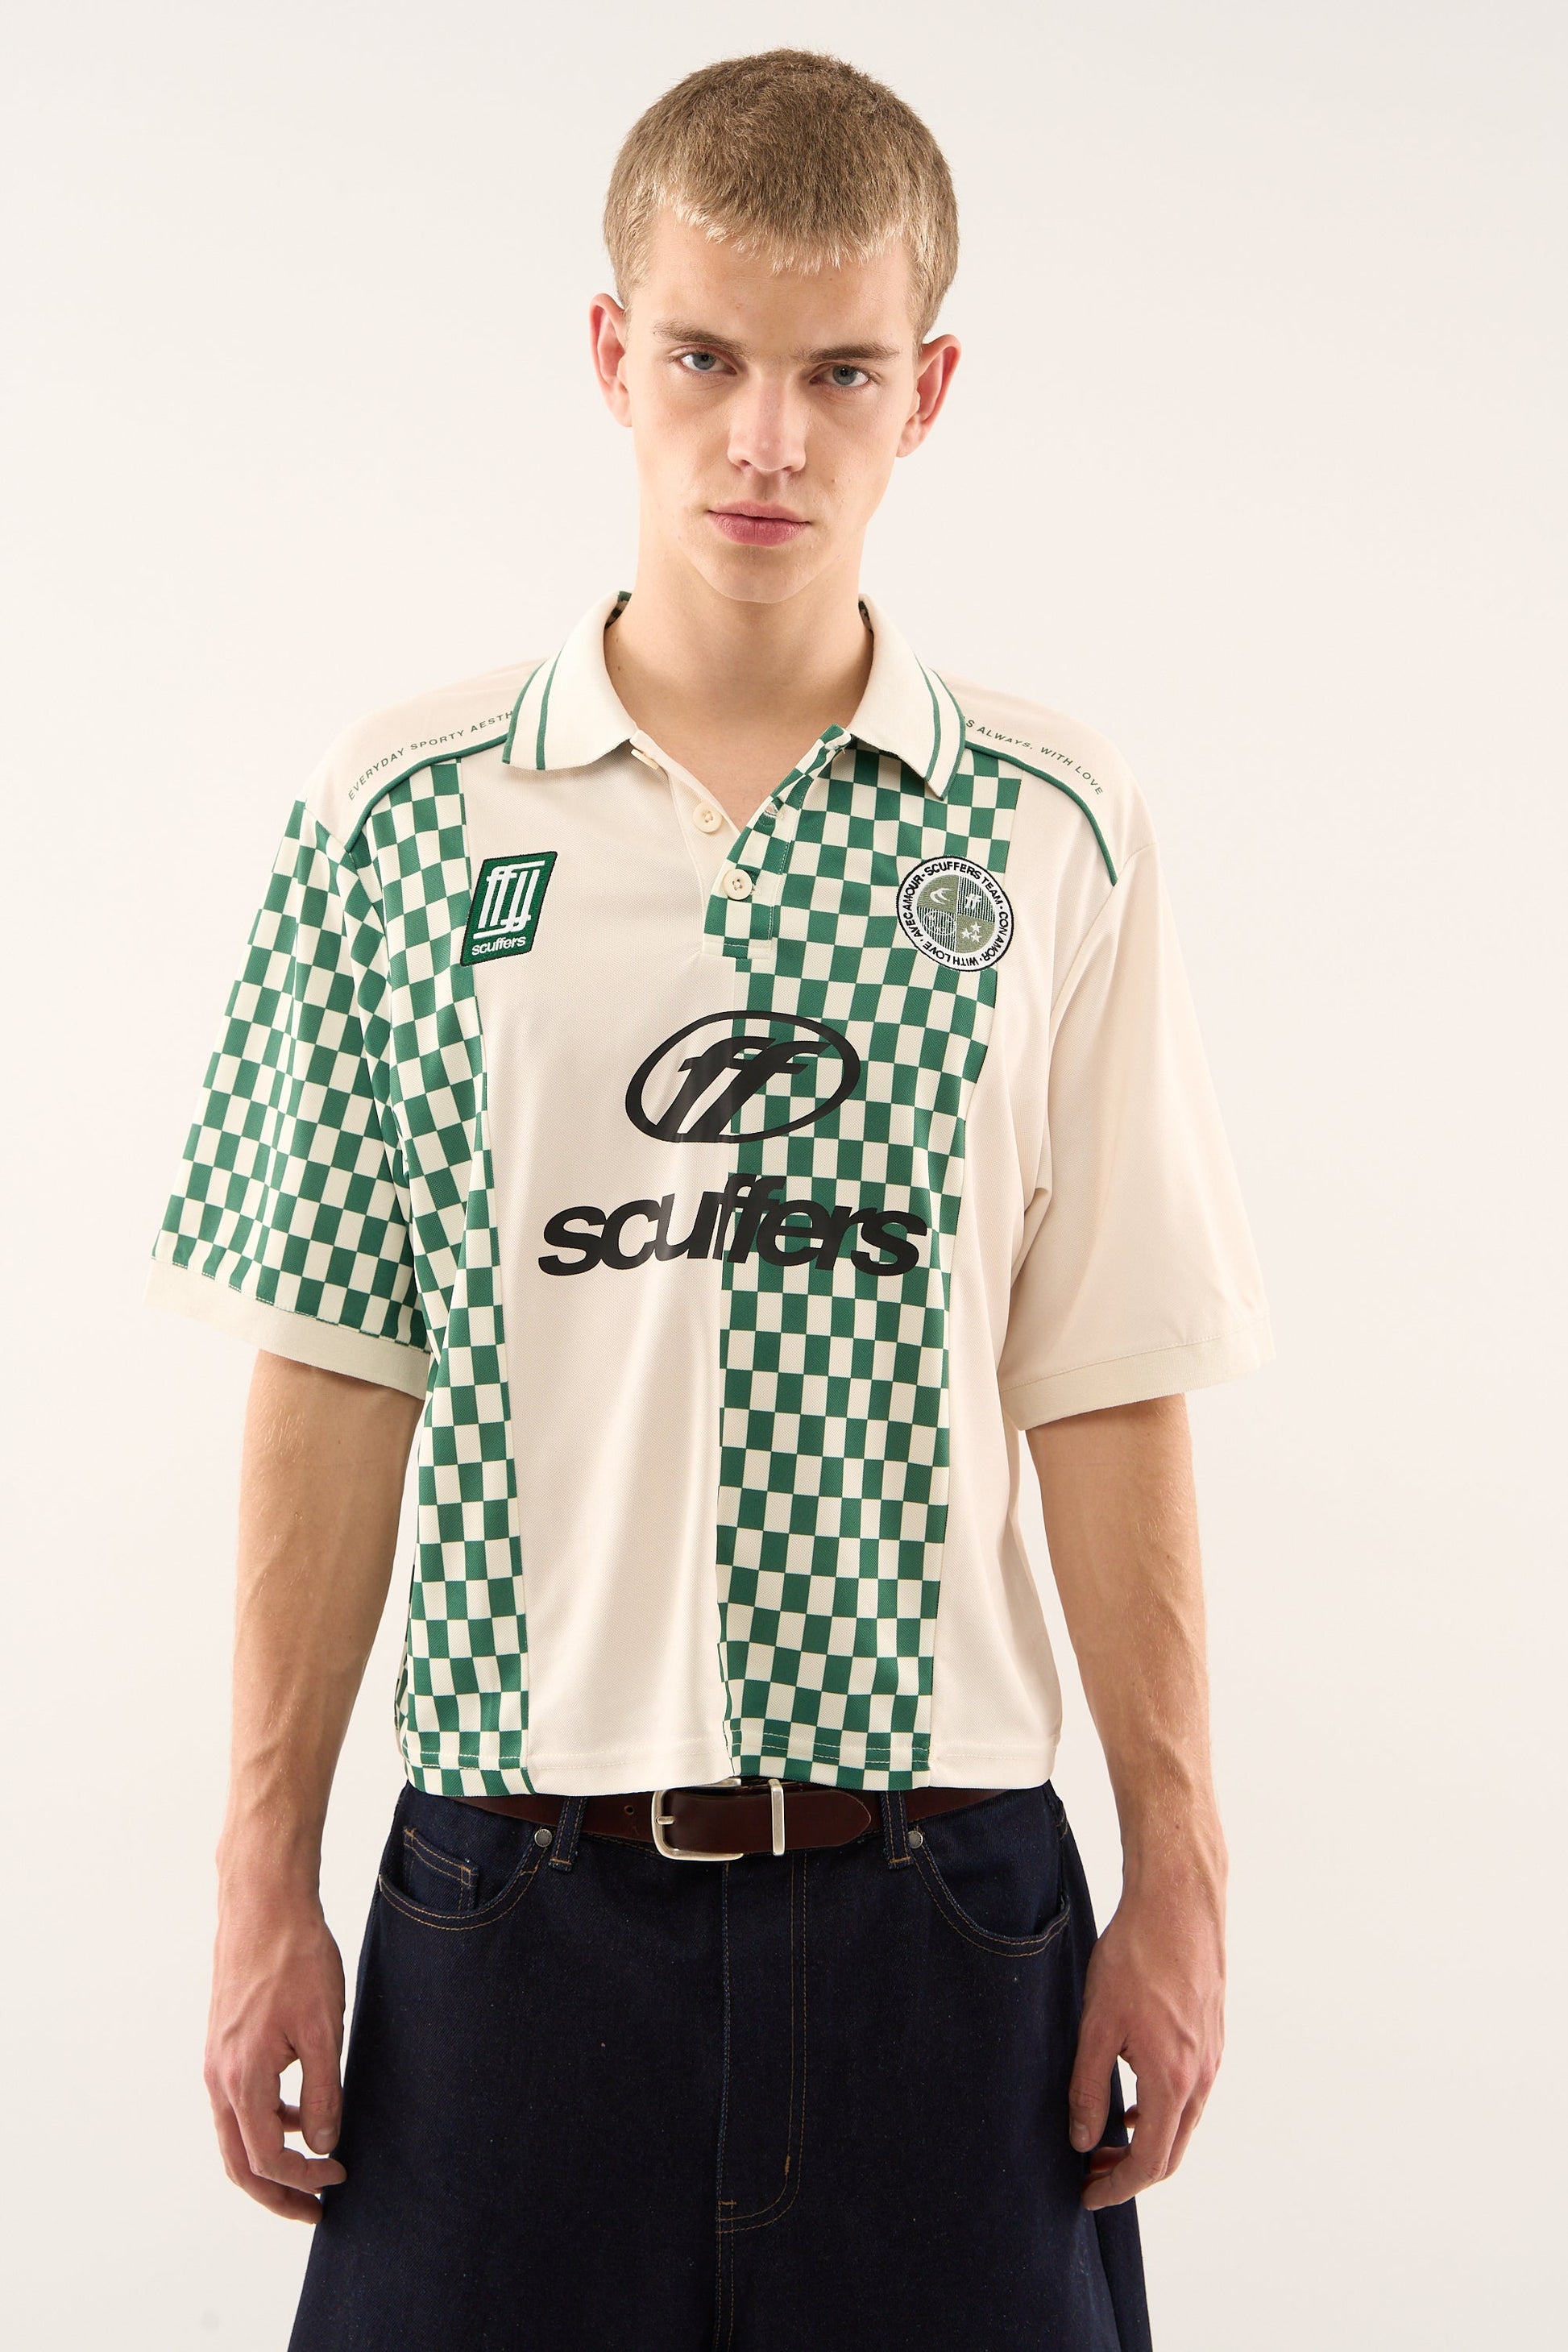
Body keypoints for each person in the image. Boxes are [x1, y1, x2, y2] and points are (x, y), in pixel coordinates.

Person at [149, 48, 1271, 2351]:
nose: (766, 439)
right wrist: (263, 1879)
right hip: (509, 1889)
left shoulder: (1049, 829)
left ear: (925, 389)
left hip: (948, 1897)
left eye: (837, 370)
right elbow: (333, 1372)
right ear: (610, 352)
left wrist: (1182, 1873)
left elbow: (1106, 1375)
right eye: (704, 359)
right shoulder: (403, 818)